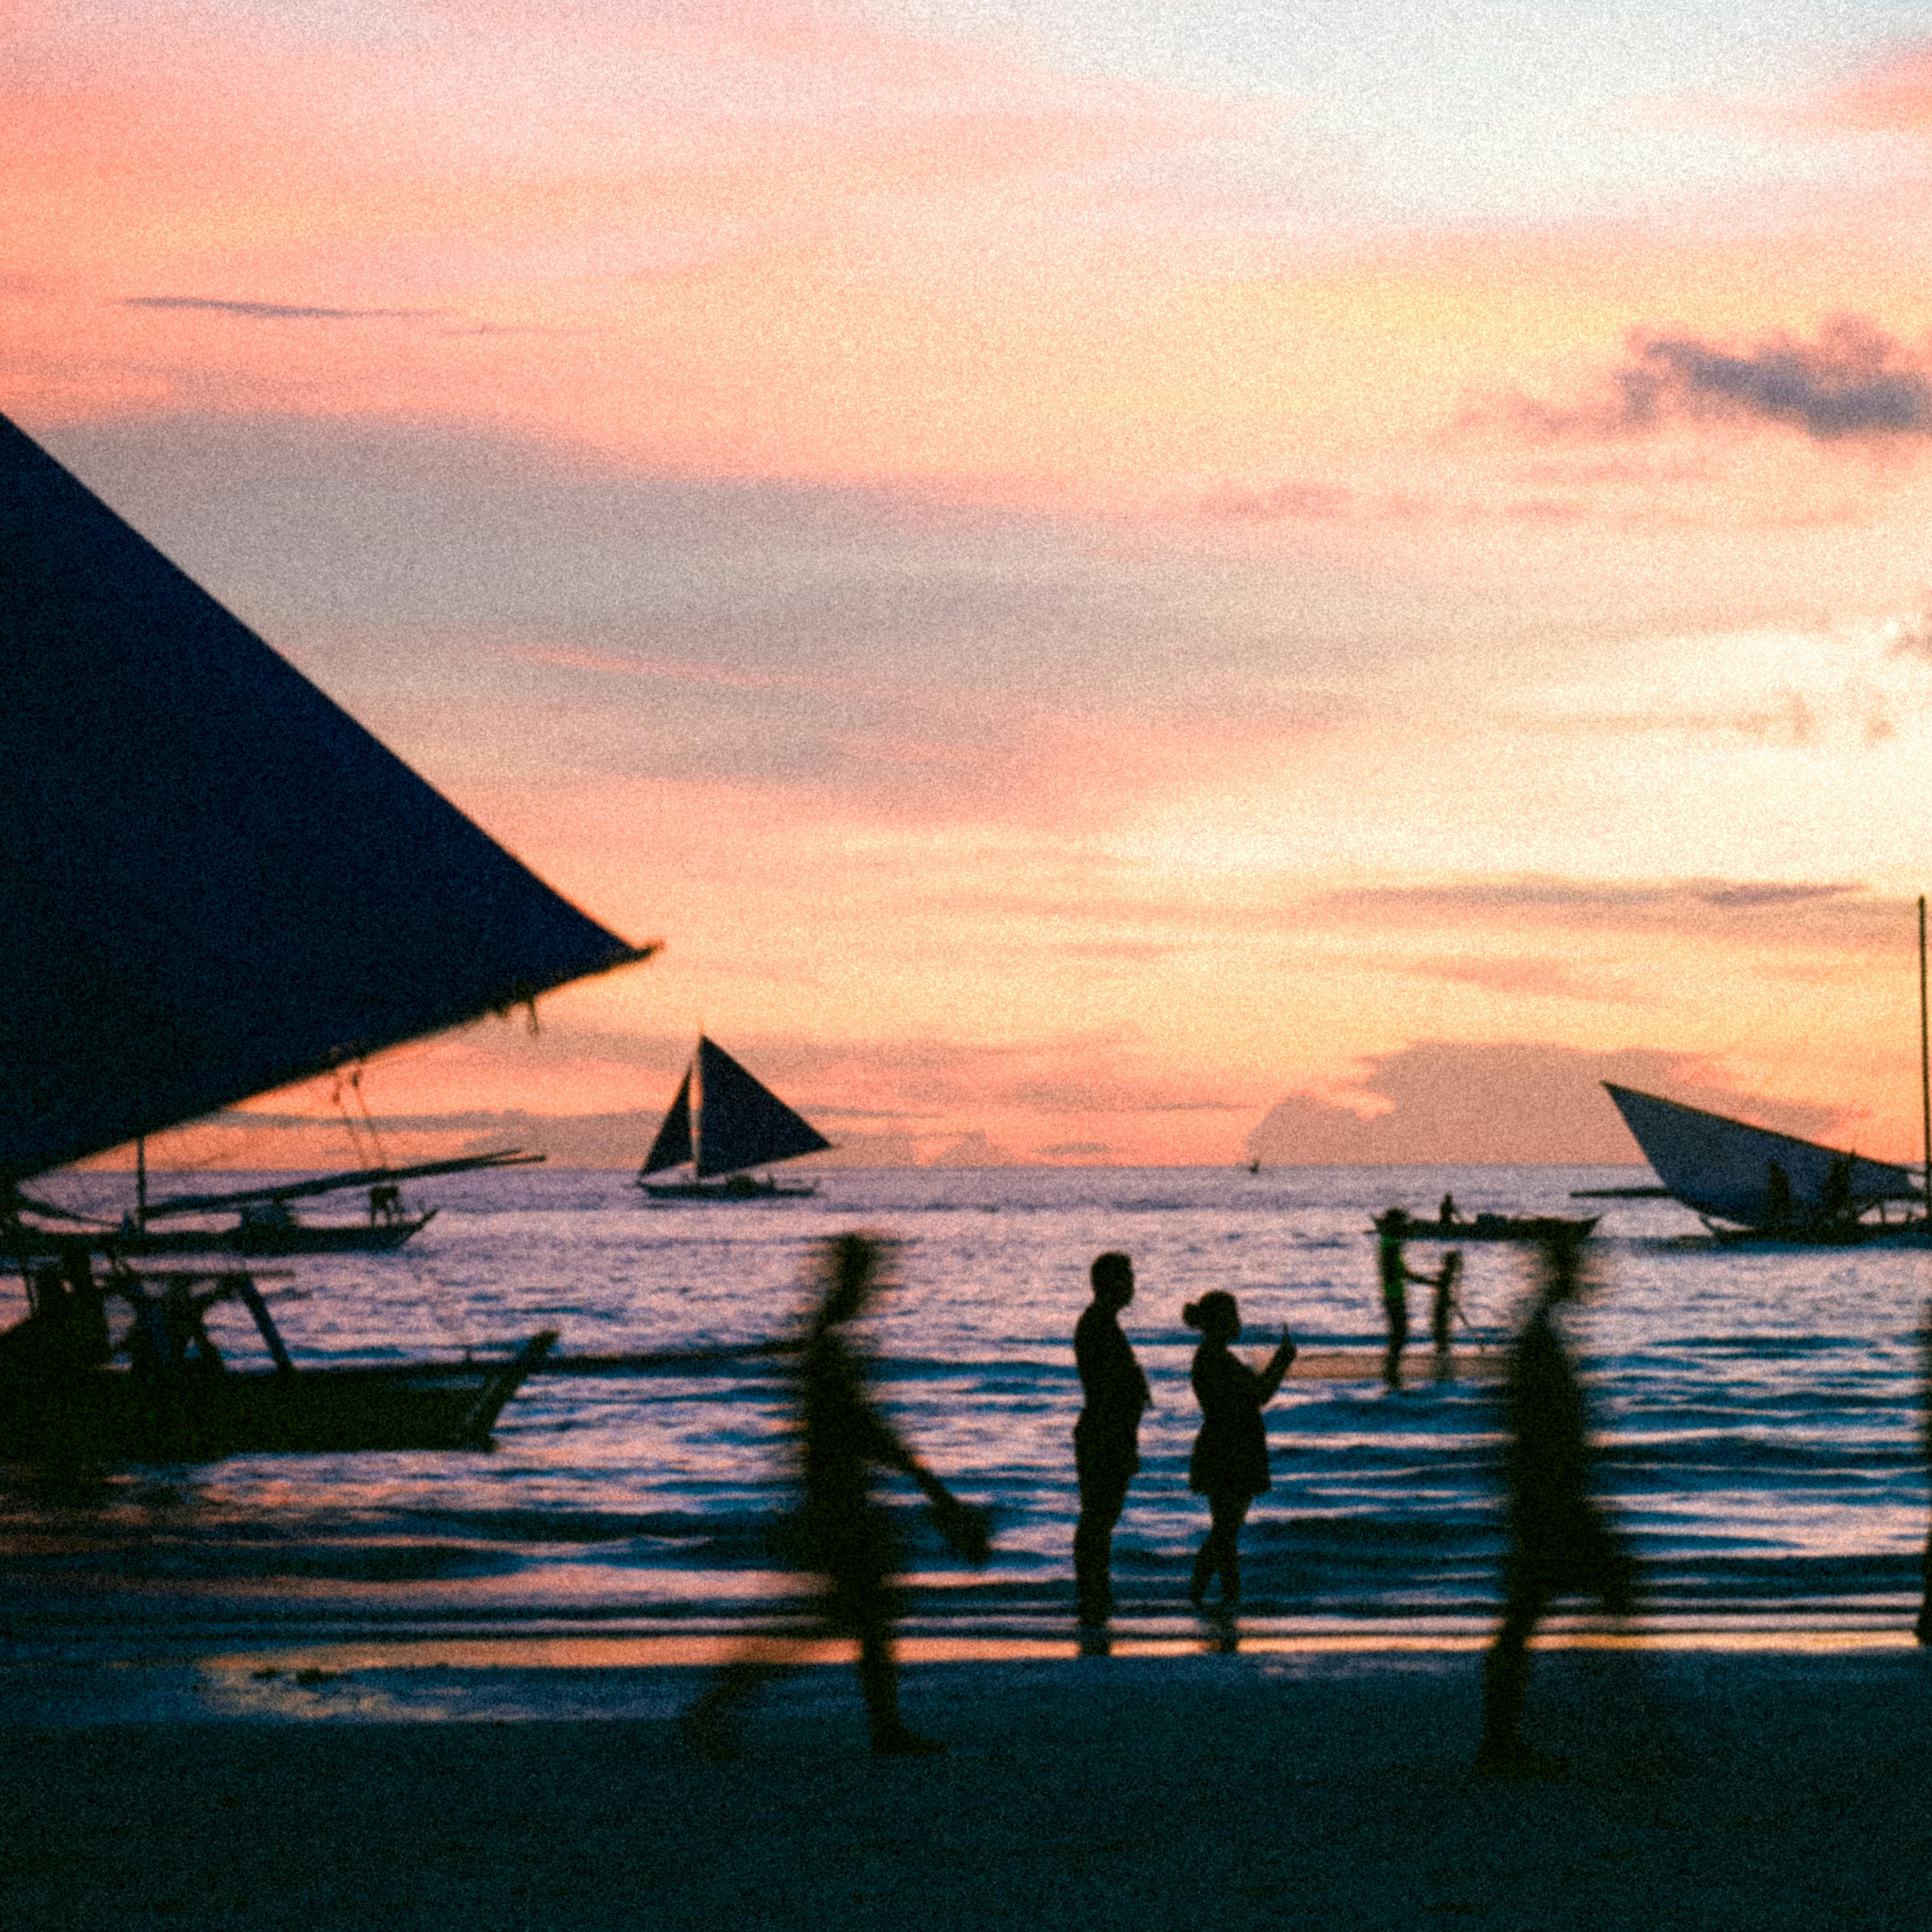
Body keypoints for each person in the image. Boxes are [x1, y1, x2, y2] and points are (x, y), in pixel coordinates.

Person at [683, 1233, 991, 1759]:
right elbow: (862, 1429)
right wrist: (930, 1485)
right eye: (869, 1279)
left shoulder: (822, 1340)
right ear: (850, 1280)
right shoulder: (827, 1346)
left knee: (851, 1616)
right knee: (842, 1618)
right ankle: (720, 1708)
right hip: (839, 1501)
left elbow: (852, 1427)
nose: (875, 1290)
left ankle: (877, 1727)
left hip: (835, 1496)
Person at [1477, 1232, 1634, 1778]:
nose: (1589, 1279)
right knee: (1535, 1618)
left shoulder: (1539, 1335)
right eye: (1579, 1270)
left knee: (1528, 1618)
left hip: (1549, 1499)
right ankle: (1506, 1743)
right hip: (1552, 1502)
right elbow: (1540, 1432)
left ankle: (1504, 1740)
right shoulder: (1540, 1341)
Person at [1183, 1291, 1296, 1611]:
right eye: (1234, 1317)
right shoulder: (1217, 1359)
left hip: (1223, 1445)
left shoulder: (1209, 1357)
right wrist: (1282, 1361)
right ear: (1222, 1322)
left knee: (1226, 1533)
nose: (1239, 1323)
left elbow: (1253, 1396)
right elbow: (1259, 1396)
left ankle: (1223, 1598)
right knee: (1226, 1533)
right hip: (1233, 1449)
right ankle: (1201, 1596)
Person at [1377, 1211, 1427, 1391]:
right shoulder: (1390, 1244)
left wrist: (1427, 1281)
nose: (1401, 1227)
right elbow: (1392, 1272)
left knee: (1399, 1334)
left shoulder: (1391, 1243)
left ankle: (1392, 1371)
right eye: (1399, 1223)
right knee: (1399, 1334)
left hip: (1395, 1295)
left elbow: (1403, 1272)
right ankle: (1391, 1372)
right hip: (1394, 1296)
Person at [1430, 1250, 1465, 1377]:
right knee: (1443, 1336)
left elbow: (1443, 1293)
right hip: (1441, 1310)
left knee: (1442, 1336)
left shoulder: (1446, 1274)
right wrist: (1450, 1303)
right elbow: (1443, 1293)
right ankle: (1442, 1366)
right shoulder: (1446, 1275)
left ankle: (1441, 1363)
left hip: (1441, 1309)